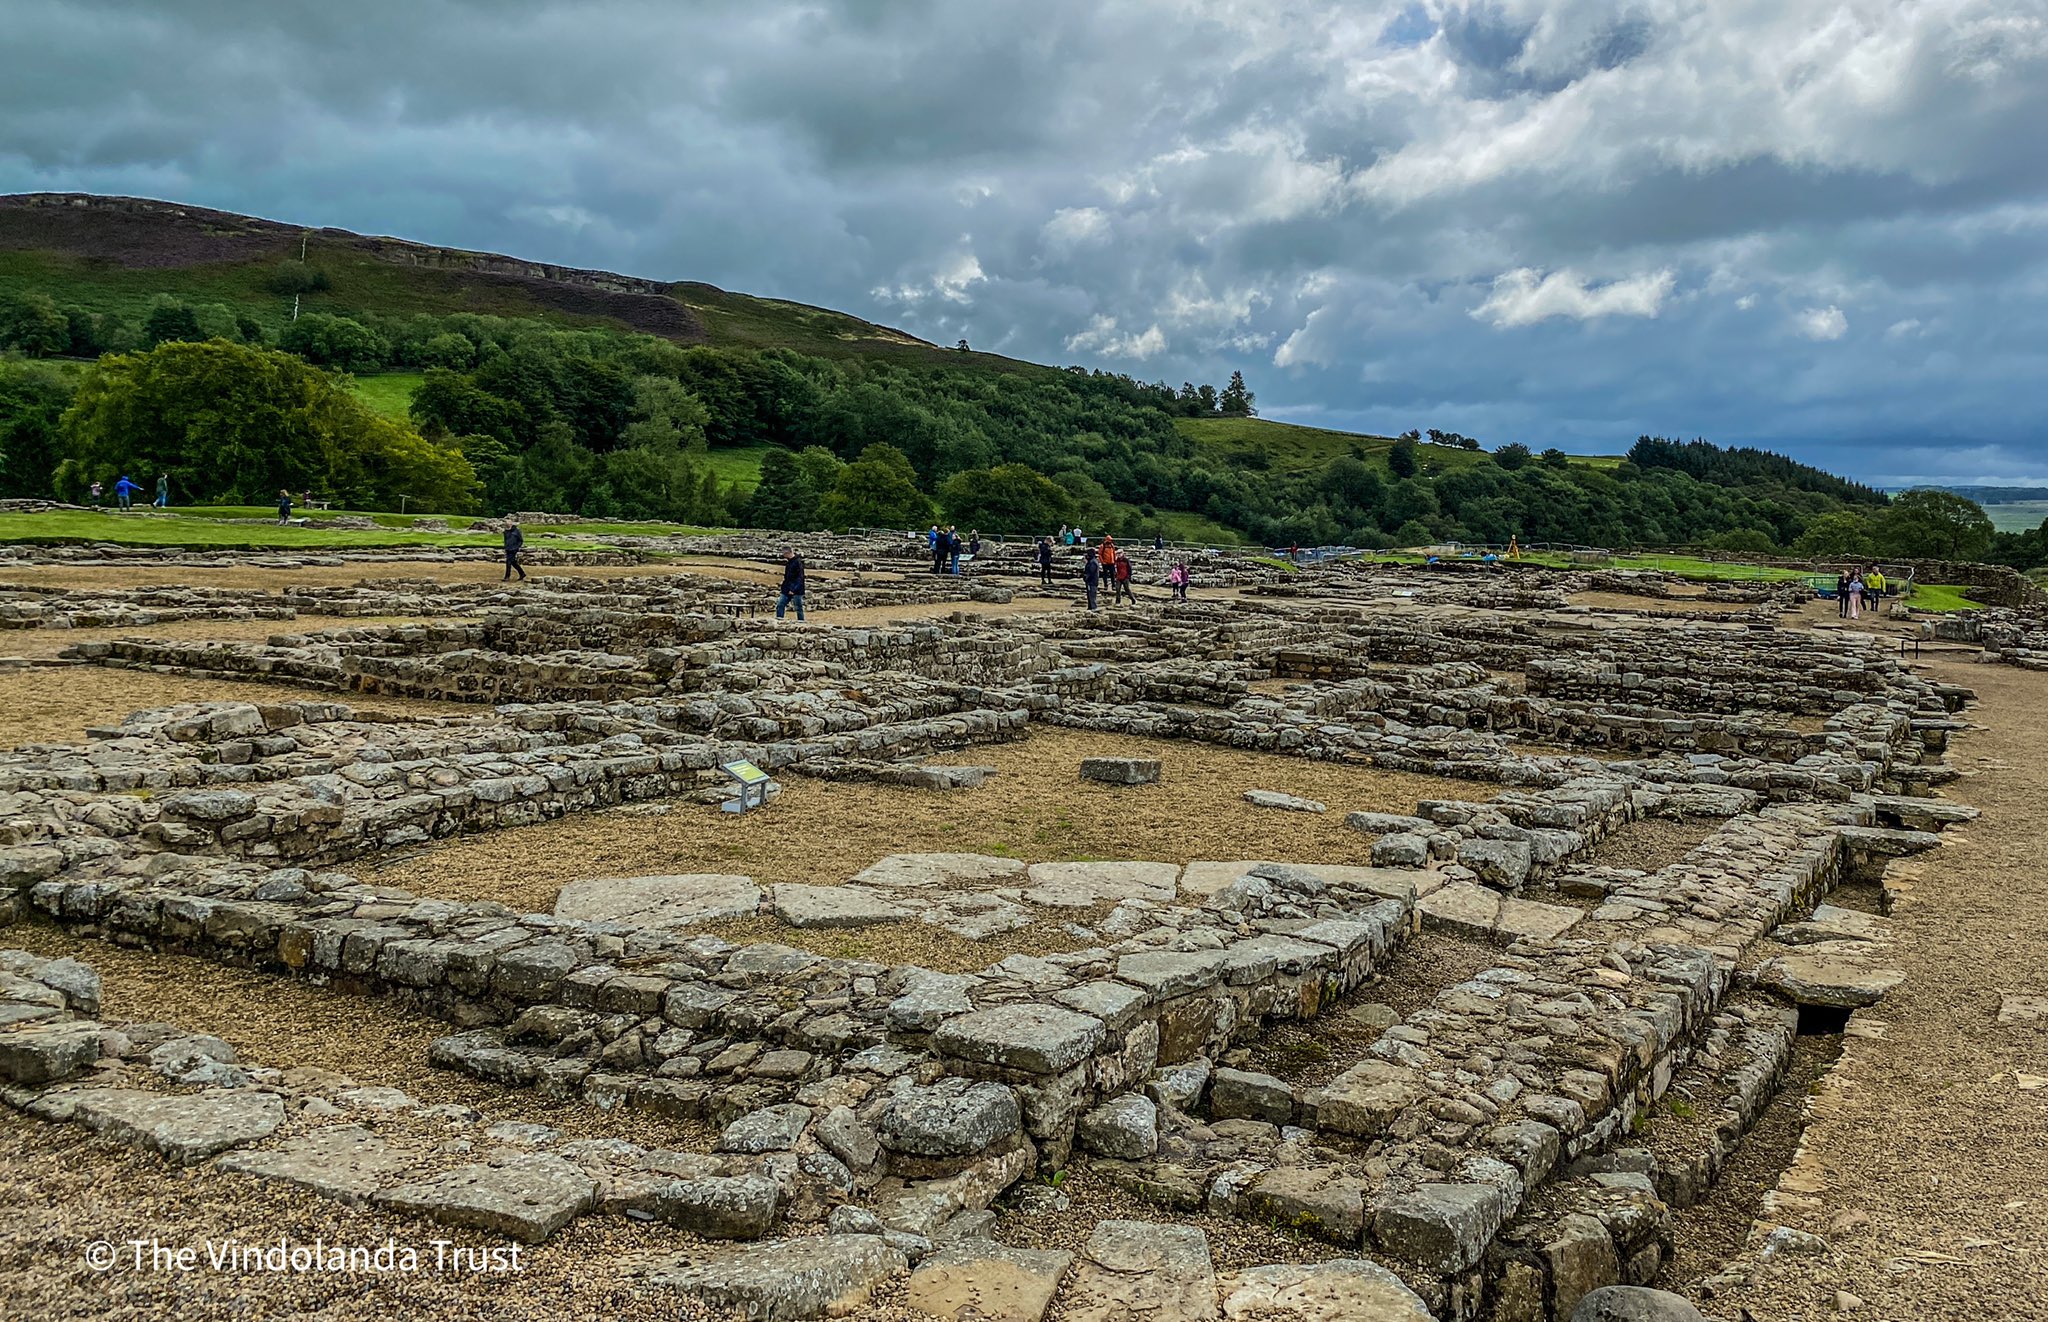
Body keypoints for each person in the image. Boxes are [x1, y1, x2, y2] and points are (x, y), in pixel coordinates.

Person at [777, 548, 807, 620]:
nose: (784, 556)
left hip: (796, 590)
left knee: (798, 607)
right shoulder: (789, 562)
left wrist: (793, 589)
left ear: (788, 553)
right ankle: (779, 620)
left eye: (784, 554)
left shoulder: (798, 562)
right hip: (787, 588)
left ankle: (801, 622)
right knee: (780, 605)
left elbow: (800, 578)